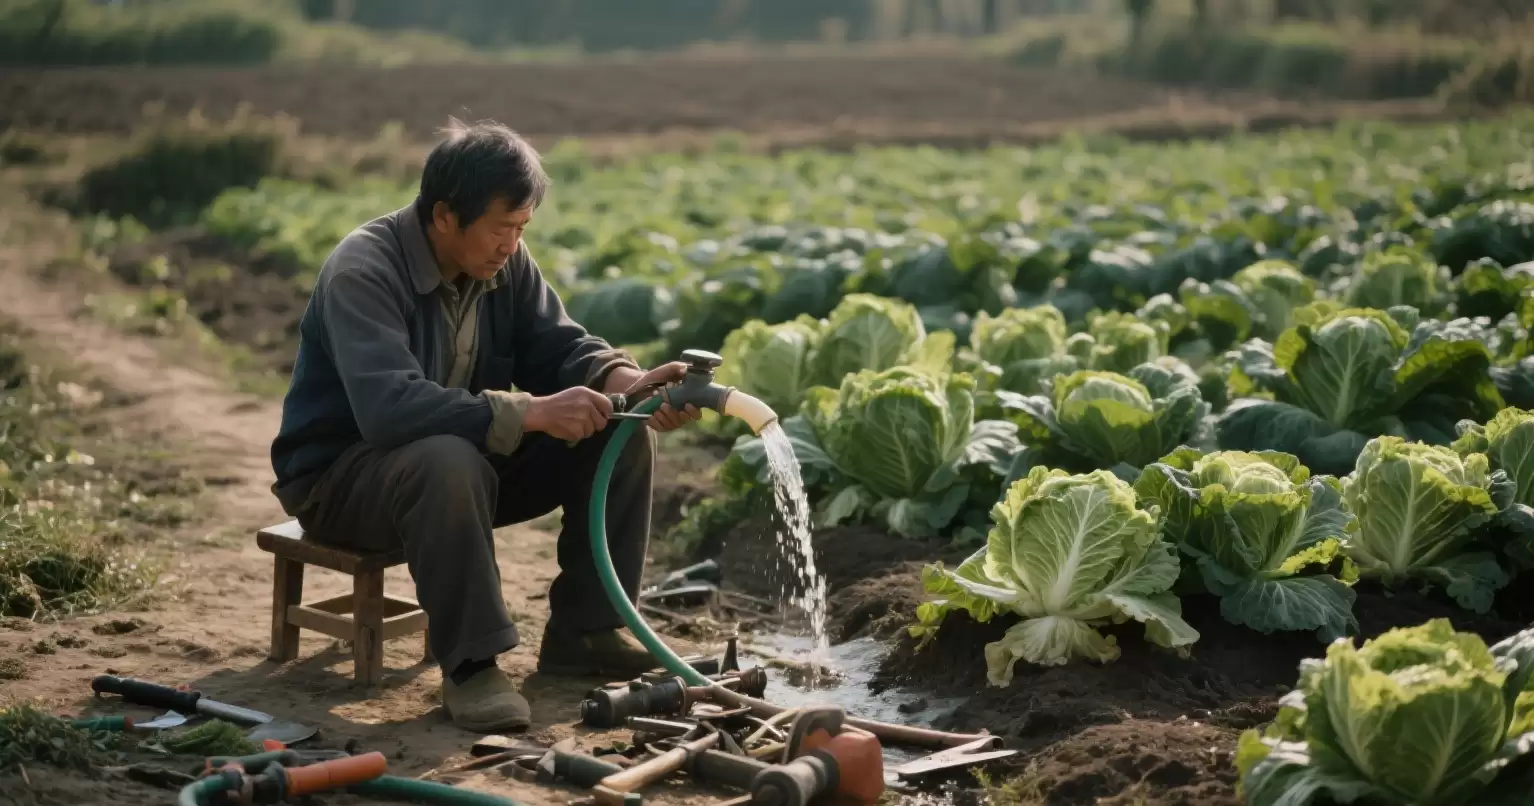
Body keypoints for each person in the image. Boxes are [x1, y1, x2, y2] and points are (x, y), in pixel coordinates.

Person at [268, 118, 700, 733]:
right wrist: (532, 412)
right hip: (342, 477)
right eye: (502, 227)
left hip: (455, 465)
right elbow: (390, 410)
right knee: (447, 458)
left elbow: (560, 345)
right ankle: (471, 664)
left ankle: (589, 629)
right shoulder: (364, 269)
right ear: (444, 216)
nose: (511, 243)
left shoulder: (504, 263)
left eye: (521, 228)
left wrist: (627, 384)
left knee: (619, 428)